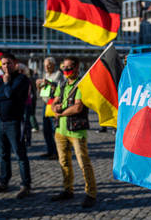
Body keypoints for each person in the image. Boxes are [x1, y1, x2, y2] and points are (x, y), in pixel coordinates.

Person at [50, 56, 97, 208]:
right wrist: (54, 107)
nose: (66, 71)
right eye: (63, 68)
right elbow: (55, 101)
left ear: (77, 68)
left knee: (84, 163)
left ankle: (91, 193)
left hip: (77, 131)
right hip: (60, 130)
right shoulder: (62, 84)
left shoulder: (82, 85)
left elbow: (78, 107)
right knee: (64, 162)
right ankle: (67, 189)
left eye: (69, 68)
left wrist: (61, 113)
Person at [0, 53, 31, 199]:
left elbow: (11, 93)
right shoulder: (0, 80)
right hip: (0, 122)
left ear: (15, 63)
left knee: (20, 155)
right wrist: (5, 94)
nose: (6, 66)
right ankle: (3, 182)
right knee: (3, 154)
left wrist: (6, 85)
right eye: (4, 64)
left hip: (15, 122)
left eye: (9, 63)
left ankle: (26, 185)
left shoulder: (22, 79)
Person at [36, 57, 64, 160]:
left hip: (54, 103)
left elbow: (61, 88)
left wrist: (50, 83)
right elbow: (42, 91)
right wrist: (38, 86)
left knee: (54, 129)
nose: (46, 67)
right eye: (45, 65)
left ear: (53, 64)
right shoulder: (45, 75)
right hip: (45, 104)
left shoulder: (58, 74)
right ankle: (49, 150)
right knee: (46, 130)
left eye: (49, 64)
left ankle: (57, 153)